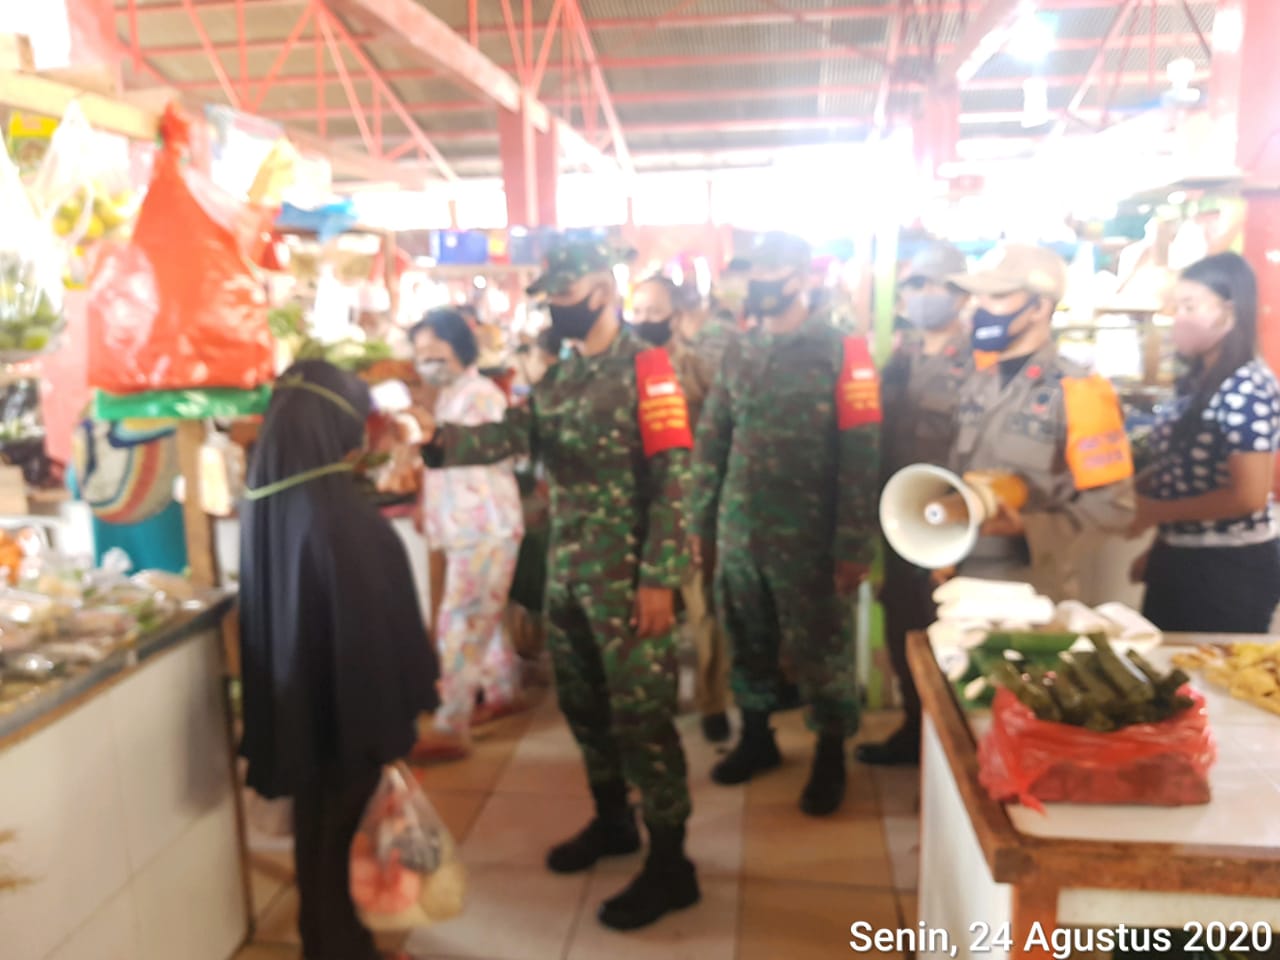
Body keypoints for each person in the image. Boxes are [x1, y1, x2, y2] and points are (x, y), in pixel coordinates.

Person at [415, 241, 699, 931]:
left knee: (644, 720)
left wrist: (659, 580)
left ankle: (672, 864)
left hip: (628, 580)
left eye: (564, 298)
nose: (554, 310)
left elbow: (676, 479)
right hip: (571, 576)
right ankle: (613, 822)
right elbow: (517, 433)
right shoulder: (563, 377)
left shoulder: (648, 369)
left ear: (602, 290)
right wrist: (438, 442)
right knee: (585, 709)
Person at [238, 361, 438, 960]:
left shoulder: (271, 495)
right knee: (343, 831)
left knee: (318, 827)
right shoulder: (341, 519)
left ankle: (323, 941)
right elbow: (378, 634)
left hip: (304, 701)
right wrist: (399, 716)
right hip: (351, 712)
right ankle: (342, 947)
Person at [689, 231, 881, 817]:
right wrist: (699, 523)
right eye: (750, 275)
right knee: (748, 636)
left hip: (813, 536)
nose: (757, 286)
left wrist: (853, 542)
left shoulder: (845, 351)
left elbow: (862, 451)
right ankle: (757, 737)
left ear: (801, 279)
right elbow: (712, 438)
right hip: (741, 528)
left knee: (823, 648)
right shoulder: (738, 351)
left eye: (769, 274)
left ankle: (829, 754)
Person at [945, 243, 1135, 600]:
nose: (979, 310)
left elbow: (1115, 508)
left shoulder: (1079, 390)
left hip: (1031, 591)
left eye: (996, 297)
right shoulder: (969, 380)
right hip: (958, 581)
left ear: (1040, 307)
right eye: (978, 297)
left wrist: (1027, 529)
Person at [858, 241, 973, 768]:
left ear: (959, 294)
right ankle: (914, 727)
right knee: (905, 624)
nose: (922, 297)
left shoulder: (975, 363)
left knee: (949, 631)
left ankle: (955, 745)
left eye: (934, 287)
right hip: (898, 519)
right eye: (915, 287)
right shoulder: (899, 358)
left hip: (951, 526)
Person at [1128, 252, 1280, 633]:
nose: (1177, 318)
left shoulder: (1248, 386)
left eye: (1190, 306)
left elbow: (1248, 496)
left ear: (1229, 311)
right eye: (1176, 306)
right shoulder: (1198, 380)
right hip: (1180, 557)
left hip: (1228, 570)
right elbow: (1183, 470)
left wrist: (1155, 513)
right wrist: (1161, 545)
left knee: (1213, 678)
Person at [409, 308, 526, 762]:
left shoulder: (478, 397)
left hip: (485, 526)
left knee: (458, 621)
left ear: (459, 348)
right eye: (420, 353)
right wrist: (428, 506)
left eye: (433, 351)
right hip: (468, 526)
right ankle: (502, 691)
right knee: (482, 617)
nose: (426, 361)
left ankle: (451, 723)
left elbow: (479, 457)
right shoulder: (451, 395)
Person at [632, 275, 732, 743]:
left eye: (656, 311)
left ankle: (713, 703)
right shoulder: (621, 372)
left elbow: (717, 443)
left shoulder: (696, 370)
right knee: (651, 616)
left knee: (703, 612)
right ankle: (658, 699)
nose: (646, 320)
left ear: (675, 316)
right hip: (638, 513)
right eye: (640, 311)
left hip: (690, 510)